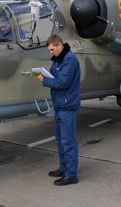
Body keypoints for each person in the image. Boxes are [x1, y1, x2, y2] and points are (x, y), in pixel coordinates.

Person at [36, 34, 81, 186]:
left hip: (67, 106)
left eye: (52, 49)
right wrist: (44, 74)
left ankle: (71, 175)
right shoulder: (58, 59)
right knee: (61, 141)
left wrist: (44, 80)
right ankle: (63, 168)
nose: (51, 52)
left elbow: (62, 82)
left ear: (59, 45)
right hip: (60, 104)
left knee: (68, 142)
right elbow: (54, 76)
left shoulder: (70, 59)